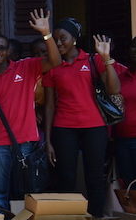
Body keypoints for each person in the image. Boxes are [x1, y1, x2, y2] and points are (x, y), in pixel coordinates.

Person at [0, 9, 61, 214]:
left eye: (2, 48)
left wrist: (46, 33)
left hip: (25, 141)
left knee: (29, 191)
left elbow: (56, 61)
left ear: (8, 52)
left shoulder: (26, 67)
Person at [43, 18, 120, 217]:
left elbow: (114, 90)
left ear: (74, 39)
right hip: (64, 127)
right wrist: (48, 140)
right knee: (65, 177)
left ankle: (95, 215)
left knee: (94, 176)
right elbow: (50, 105)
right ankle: (68, 215)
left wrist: (106, 59)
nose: (58, 43)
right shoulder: (52, 66)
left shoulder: (92, 60)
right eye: (55, 39)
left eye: (63, 38)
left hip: (94, 126)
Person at [115, 36, 136, 185]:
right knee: (128, 186)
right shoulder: (121, 77)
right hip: (122, 139)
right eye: (133, 46)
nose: (134, 50)